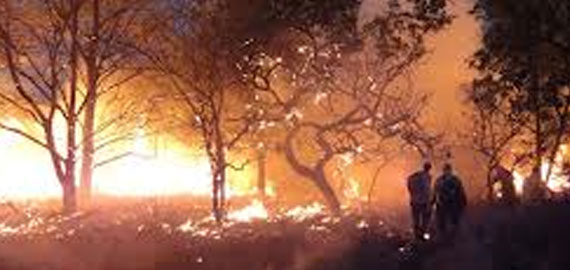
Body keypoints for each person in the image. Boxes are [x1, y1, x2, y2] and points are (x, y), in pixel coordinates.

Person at [434, 163, 467, 238]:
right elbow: (435, 191)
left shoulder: (455, 180)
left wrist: (463, 201)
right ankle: (444, 236)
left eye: (448, 170)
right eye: (446, 170)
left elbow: (460, 191)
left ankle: (453, 236)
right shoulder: (439, 180)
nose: (447, 172)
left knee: (454, 221)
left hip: (452, 203)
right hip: (443, 204)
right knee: (442, 222)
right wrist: (433, 202)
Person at [407, 162, 433, 240]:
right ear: (429, 168)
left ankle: (416, 236)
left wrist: (413, 195)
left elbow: (409, 187)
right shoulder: (427, 177)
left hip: (414, 201)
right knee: (425, 219)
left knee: (416, 219)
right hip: (423, 202)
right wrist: (429, 202)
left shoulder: (414, 176)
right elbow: (427, 190)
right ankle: (422, 235)